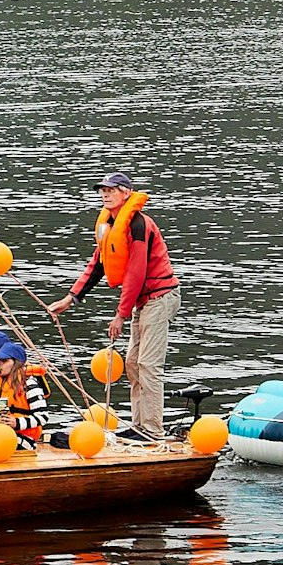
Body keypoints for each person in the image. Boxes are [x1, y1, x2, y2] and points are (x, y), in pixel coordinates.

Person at [46, 172, 182, 440]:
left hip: (160, 297)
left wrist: (120, 315)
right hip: (143, 300)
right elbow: (97, 266)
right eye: (103, 190)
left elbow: (136, 273)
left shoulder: (139, 225)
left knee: (148, 364)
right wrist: (70, 298)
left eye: (112, 189)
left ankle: (153, 430)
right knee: (132, 363)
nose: (106, 194)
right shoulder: (109, 225)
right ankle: (140, 426)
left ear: (127, 193)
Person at [0, 342, 47, 445]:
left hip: (21, 439)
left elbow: (43, 417)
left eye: (4, 361)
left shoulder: (29, 384)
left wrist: (16, 423)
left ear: (16, 363)